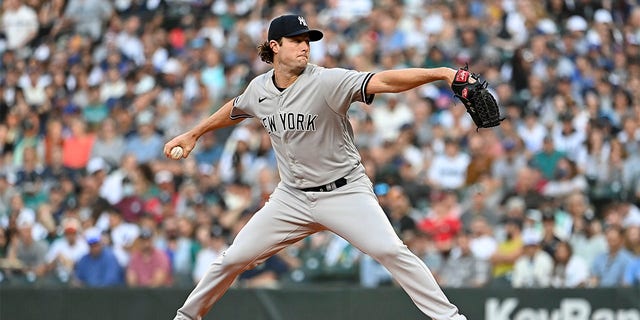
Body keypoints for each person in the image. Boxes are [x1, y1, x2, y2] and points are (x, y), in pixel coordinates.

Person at [164, 14, 468, 320]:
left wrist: (440, 73)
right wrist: (194, 133)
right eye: (296, 41)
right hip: (291, 197)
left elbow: (384, 80)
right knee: (232, 259)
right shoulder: (260, 89)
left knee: (392, 252)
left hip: (344, 192)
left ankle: (451, 319)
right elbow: (235, 108)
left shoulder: (326, 81)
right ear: (275, 46)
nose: (305, 47)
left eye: (307, 41)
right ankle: (185, 317)